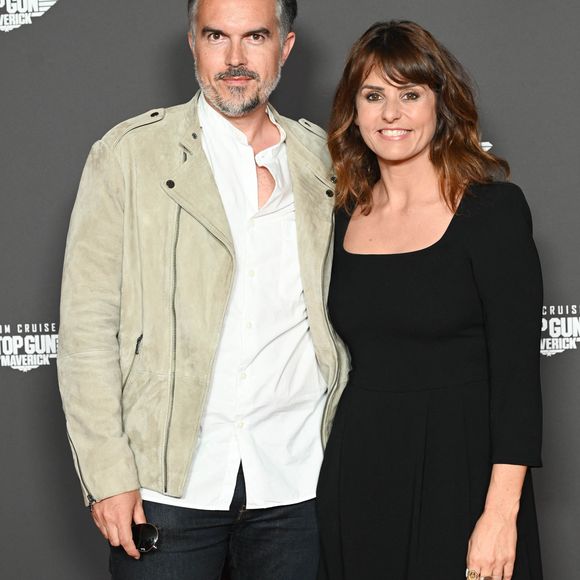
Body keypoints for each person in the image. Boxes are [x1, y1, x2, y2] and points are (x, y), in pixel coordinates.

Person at [57, 1, 349, 578]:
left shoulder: (326, 158)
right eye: (217, 36)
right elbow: (88, 327)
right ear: (192, 42)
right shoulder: (129, 155)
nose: (235, 59)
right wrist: (107, 474)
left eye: (255, 37)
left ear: (285, 47)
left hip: (297, 482)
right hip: (167, 486)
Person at [316, 20, 543, 580]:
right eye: (374, 96)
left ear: (441, 106)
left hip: (461, 472)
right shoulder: (341, 215)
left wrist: (500, 513)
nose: (391, 114)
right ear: (354, 111)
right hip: (359, 469)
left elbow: (517, 382)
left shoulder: (493, 211)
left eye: (409, 95)